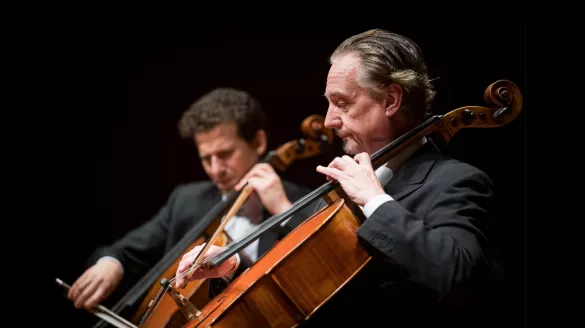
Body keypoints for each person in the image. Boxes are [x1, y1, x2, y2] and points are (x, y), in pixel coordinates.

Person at [176, 29, 505, 327]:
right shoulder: (340, 188)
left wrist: (376, 202)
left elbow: (459, 276)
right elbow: (302, 289)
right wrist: (230, 265)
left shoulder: (457, 182)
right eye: (329, 104)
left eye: (342, 103)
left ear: (391, 100)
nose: (330, 121)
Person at [67, 87, 311, 311]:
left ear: (258, 142)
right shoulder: (187, 199)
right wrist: (111, 264)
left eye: (225, 154)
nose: (215, 169)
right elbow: (128, 251)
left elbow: (312, 276)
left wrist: (282, 209)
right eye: (206, 158)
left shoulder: (303, 201)